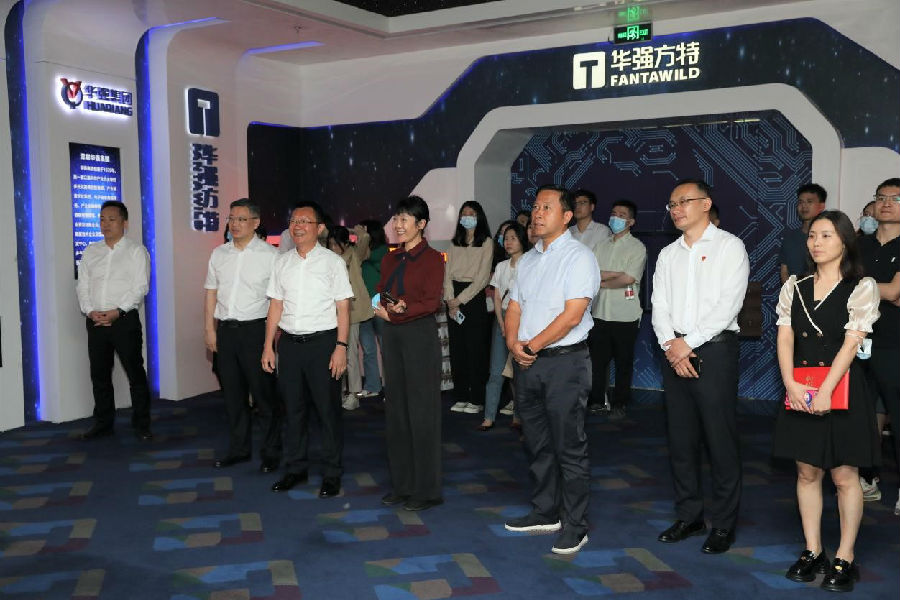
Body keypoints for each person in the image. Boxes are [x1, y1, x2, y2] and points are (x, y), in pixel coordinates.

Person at [773, 210, 881, 592]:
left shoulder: (862, 286)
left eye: (826, 236)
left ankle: (845, 556)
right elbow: (785, 336)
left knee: (844, 475)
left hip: (843, 388)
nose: (816, 243)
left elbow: (852, 344)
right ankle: (813, 549)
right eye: (812, 236)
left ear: (845, 242)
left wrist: (826, 391)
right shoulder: (795, 286)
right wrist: (790, 383)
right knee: (806, 472)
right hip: (801, 387)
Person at [651, 178, 749, 555]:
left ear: (706, 204)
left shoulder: (729, 246)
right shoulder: (668, 254)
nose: (676, 209)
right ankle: (689, 516)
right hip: (674, 352)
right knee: (681, 440)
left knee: (719, 440)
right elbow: (659, 306)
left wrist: (686, 344)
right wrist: (671, 346)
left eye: (684, 201)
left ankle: (723, 523)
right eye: (672, 204)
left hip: (715, 351)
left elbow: (728, 305)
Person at [503, 184, 601, 555]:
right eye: (535, 206)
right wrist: (514, 344)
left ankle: (576, 525)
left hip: (565, 363)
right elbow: (514, 307)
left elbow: (572, 315)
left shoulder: (579, 257)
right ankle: (545, 511)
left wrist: (530, 346)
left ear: (566, 216)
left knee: (569, 447)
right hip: (527, 363)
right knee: (536, 442)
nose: (538, 213)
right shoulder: (528, 260)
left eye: (547, 207)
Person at [262, 202, 353, 498]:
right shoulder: (281, 263)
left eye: (304, 221)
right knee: (292, 410)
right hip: (289, 345)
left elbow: (343, 307)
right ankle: (296, 468)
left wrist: (341, 347)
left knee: (327, 411)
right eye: (293, 221)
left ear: (319, 228)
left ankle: (332, 473)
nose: (297, 226)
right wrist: (268, 346)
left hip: (323, 345)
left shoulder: (332, 263)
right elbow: (275, 306)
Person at [374, 196, 446, 511]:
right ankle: (402, 485)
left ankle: (427, 490)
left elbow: (431, 302)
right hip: (392, 336)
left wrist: (401, 312)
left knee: (422, 413)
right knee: (397, 412)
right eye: (396, 218)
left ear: (421, 224)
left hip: (419, 337)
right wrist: (387, 306)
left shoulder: (433, 259)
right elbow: (381, 290)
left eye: (405, 219)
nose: (398, 224)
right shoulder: (391, 259)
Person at [204, 198, 282, 471]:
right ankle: (239, 449)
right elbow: (211, 293)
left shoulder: (271, 256)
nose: (234, 224)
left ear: (255, 223)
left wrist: (270, 340)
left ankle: (271, 453)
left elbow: (277, 300)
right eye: (231, 218)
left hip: (255, 332)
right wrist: (209, 329)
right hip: (226, 331)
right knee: (233, 396)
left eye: (241, 219)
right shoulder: (219, 254)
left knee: (264, 396)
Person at [76, 201, 152, 441]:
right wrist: (90, 311)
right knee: (99, 375)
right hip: (96, 321)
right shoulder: (91, 251)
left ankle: (142, 424)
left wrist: (117, 311)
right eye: (102, 219)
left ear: (124, 223)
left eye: (111, 219)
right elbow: (83, 285)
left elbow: (140, 287)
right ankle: (103, 423)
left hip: (124, 321)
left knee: (135, 373)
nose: (105, 224)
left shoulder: (136, 251)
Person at [857, 178, 900, 516]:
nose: (886, 203)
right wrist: (877, 288)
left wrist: (858, 286)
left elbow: (895, 293)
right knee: (858, 416)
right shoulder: (860, 244)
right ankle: (866, 478)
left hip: (894, 342)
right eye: (881, 197)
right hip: (857, 340)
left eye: (895, 198)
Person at [587, 199, 647, 420]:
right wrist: (615, 274)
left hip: (626, 315)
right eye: (613, 214)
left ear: (631, 221)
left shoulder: (637, 247)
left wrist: (603, 280)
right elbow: (592, 273)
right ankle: (596, 401)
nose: (616, 218)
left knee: (623, 362)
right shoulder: (600, 246)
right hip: (599, 313)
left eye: (622, 215)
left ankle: (620, 403)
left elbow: (629, 278)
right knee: (597, 362)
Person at [444, 201, 494, 414]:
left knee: (476, 350)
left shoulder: (486, 243)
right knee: (458, 350)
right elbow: (447, 274)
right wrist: (450, 299)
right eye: (463, 213)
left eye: (471, 214)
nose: (467, 217)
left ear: (479, 217)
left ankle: (477, 398)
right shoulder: (454, 243)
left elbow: (482, 279)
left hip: (473, 298)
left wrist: (459, 300)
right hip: (453, 296)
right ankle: (461, 395)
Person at [480, 222, 530, 430]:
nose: (508, 242)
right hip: (502, 319)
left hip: (523, 321)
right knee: (496, 370)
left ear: (522, 240)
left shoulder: (530, 263)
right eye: (505, 238)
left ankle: (519, 416)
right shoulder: (501, 266)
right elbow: (497, 297)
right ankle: (488, 417)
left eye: (513, 238)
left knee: (519, 372)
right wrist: (501, 323)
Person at [327, 225, 374, 410]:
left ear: (346, 243)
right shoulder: (326, 258)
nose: (333, 248)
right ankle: (338, 392)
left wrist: (356, 231)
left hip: (352, 312)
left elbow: (365, 239)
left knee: (350, 354)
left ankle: (354, 394)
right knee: (334, 354)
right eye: (331, 244)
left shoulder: (355, 255)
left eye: (336, 244)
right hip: (330, 313)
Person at [355, 219, 389, 399]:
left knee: (386, 349)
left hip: (379, 305)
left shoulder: (382, 251)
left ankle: (391, 388)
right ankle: (372, 386)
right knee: (368, 350)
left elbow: (365, 255)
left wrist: (362, 237)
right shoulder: (360, 250)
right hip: (362, 306)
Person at [780, 184, 827, 283]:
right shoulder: (789, 237)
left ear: (821, 206)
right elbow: (784, 272)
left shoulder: (829, 238)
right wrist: (791, 291)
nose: (804, 206)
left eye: (809, 202)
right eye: (801, 202)